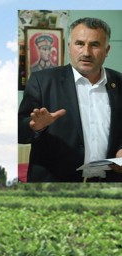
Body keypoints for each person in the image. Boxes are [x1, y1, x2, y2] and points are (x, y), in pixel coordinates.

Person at [18, 17, 122, 182]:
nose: (86, 52)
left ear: (107, 50)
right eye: (79, 43)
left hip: (109, 183)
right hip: (55, 184)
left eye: (94, 45)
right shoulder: (42, 81)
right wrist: (35, 127)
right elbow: (19, 133)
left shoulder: (119, 82)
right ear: (69, 47)